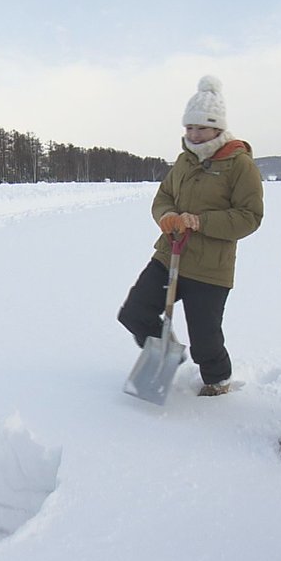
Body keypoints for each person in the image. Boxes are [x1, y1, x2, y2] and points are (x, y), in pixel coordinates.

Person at [118, 75, 264, 396]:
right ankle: (167, 354)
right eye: (189, 128)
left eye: (201, 128)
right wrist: (167, 216)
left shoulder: (239, 165)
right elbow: (163, 197)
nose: (194, 135)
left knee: (205, 339)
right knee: (135, 312)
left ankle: (218, 380)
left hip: (210, 267)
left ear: (218, 128)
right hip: (170, 254)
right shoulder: (184, 161)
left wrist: (201, 222)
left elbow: (250, 216)